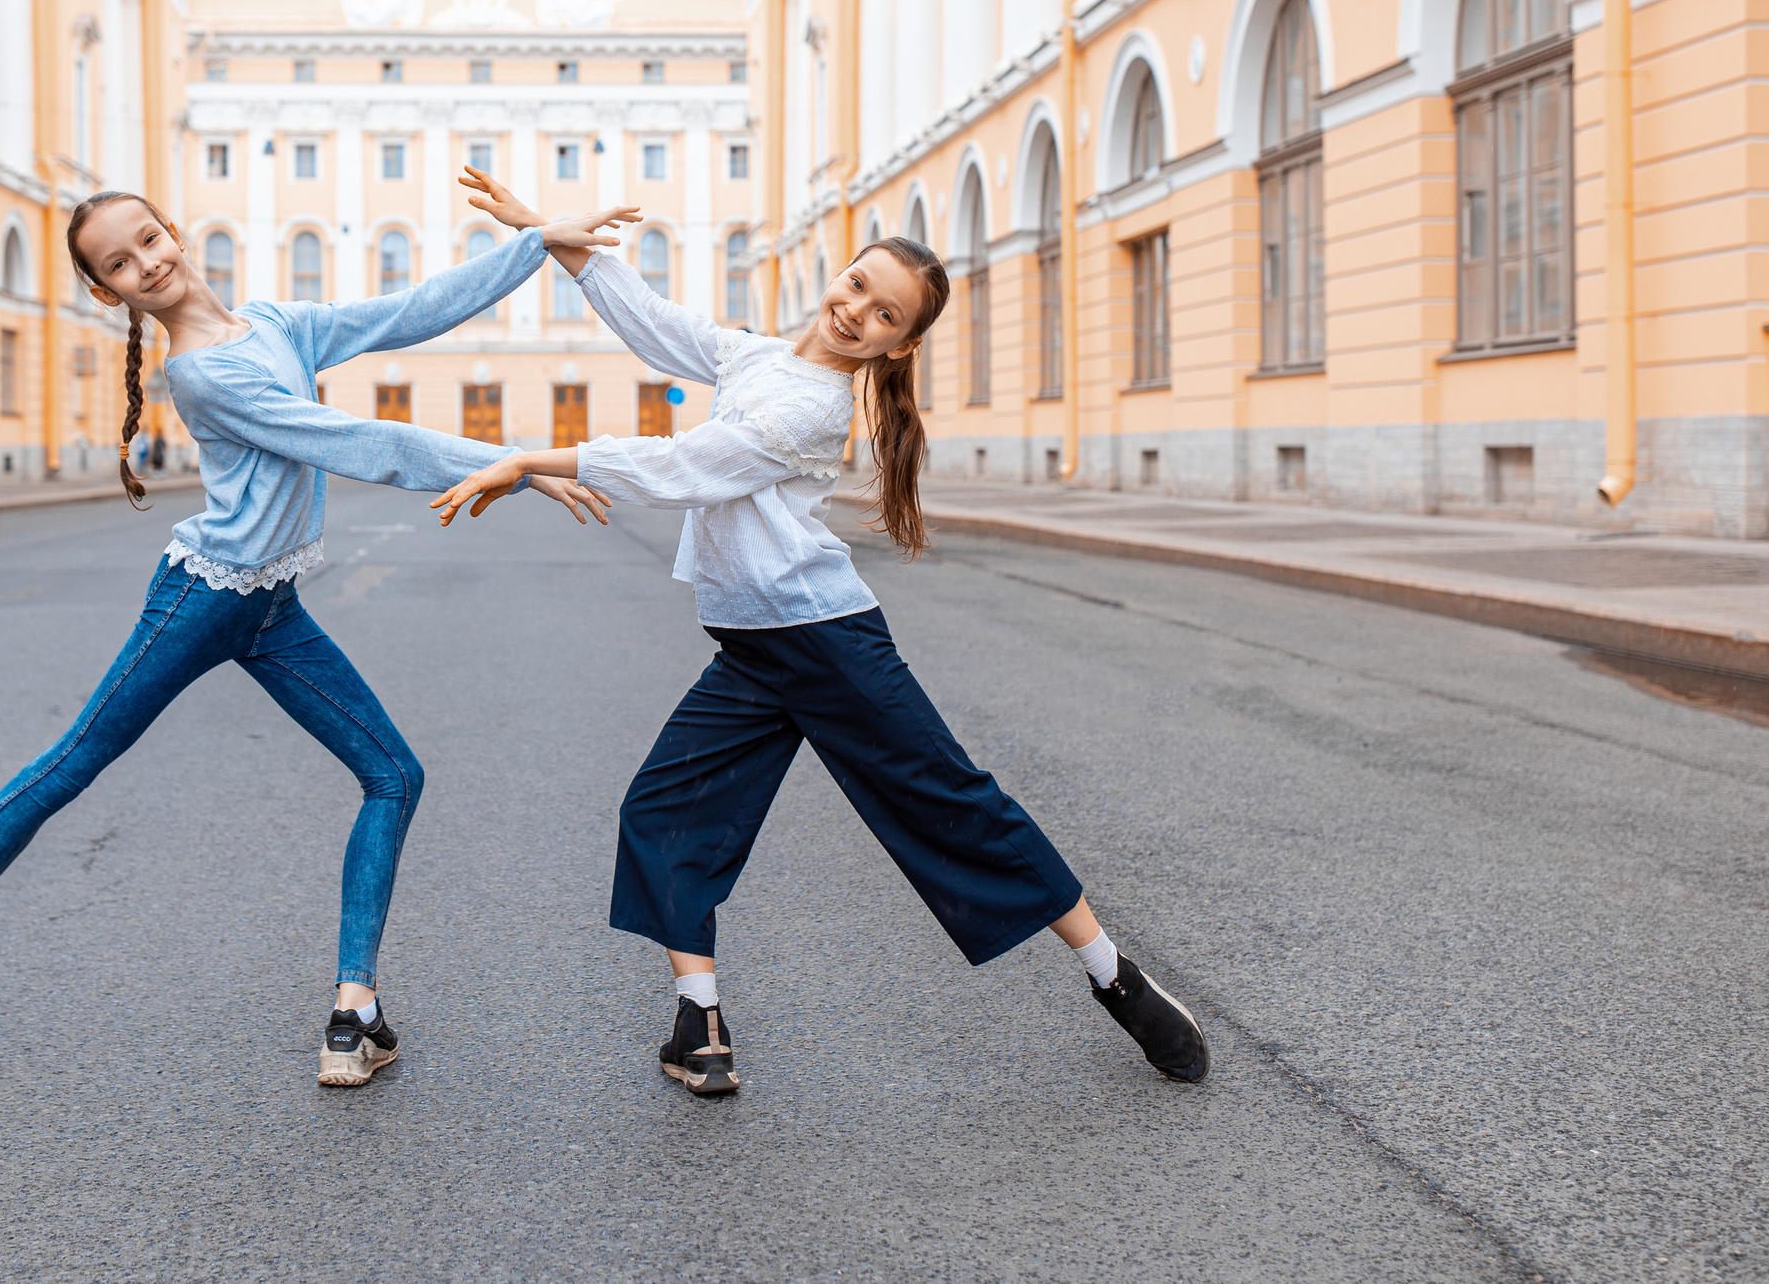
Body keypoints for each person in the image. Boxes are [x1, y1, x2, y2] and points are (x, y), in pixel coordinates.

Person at [0, 188, 633, 1085]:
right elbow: (348, 438)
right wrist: (513, 465)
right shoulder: (201, 373)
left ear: (175, 233)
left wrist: (534, 247)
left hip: (270, 605)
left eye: (149, 240)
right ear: (105, 291)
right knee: (70, 765)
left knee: (394, 776)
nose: (146, 264)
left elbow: (404, 311)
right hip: (201, 598)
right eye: (119, 264)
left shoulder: (274, 323)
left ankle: (353, 1010)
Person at [431, 169, 1208, 1096]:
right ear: (838, 275)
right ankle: (700, 1024)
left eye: (883, 316)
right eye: (855, 286)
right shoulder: (759, 357)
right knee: (663, 809)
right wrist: (546, 232)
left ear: (899, 345)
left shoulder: (813, 406)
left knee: (955, 803)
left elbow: (690, 466)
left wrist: (528, 456)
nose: (855, 312)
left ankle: (1115, 976)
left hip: (827, 640)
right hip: (754, 647)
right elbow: (654, 321)